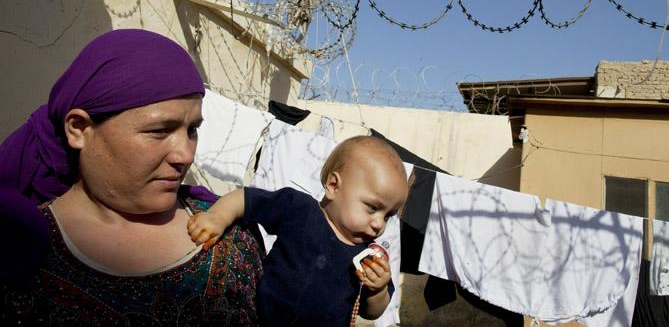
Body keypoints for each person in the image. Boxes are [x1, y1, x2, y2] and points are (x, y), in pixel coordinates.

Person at [0, 29, 263, 325]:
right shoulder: (16, 252)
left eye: (192, 130)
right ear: (79, 129)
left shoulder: (231, 237)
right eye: (159, 131)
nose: (186, 155)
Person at [187, 135, 409, 326]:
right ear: (333, 186)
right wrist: (217, 217)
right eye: (372, 208)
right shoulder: (299, 209)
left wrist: (377, 290)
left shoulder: (367, 256)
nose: (379, 224)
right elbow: (247, 199)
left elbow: (371, 312)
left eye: (388, 216)